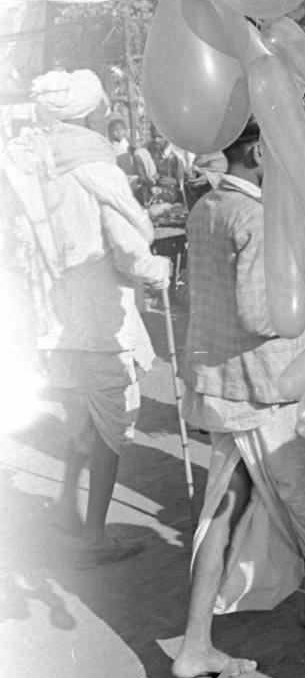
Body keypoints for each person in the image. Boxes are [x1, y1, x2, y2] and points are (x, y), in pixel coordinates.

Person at [172, 119, 305, 678]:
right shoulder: (257, 217)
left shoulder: (207, 206)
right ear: (261, 150)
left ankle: (195, 644)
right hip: (269, 388)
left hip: (220, 383)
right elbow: (263, 315)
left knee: (221, 510)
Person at [31, 68, 170, 563]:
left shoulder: (34, 160)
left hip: (51, 318)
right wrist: (157, 269)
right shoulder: (94, 165)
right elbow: (128, 251)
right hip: (98, 320)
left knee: (79, 416)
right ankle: (94, 536)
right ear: (90, 112)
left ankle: (69, 503)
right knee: (111, 427)